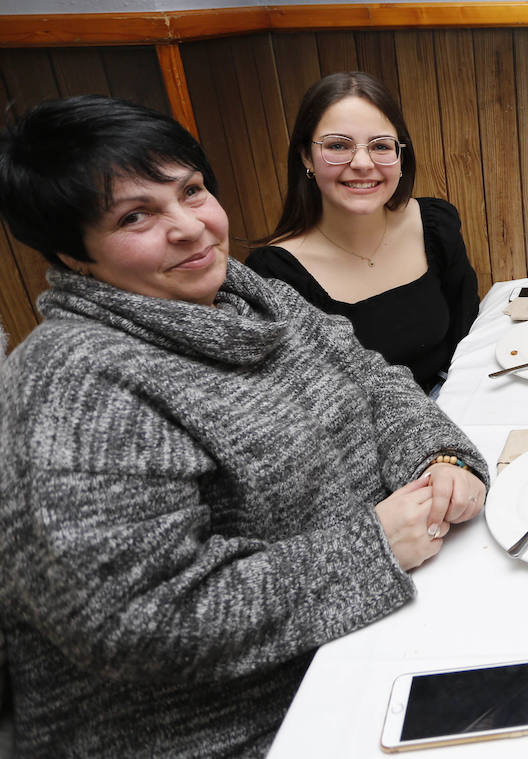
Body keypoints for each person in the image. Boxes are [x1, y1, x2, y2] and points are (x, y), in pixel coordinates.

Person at [0, 96, 490, 759]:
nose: (190, 227)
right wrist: (370, 546)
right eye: (135, 215)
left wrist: (440, 456)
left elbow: (372, 377)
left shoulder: (247, 292)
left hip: (357, 634)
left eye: (192, 191)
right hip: (244, 724)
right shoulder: (76, 385)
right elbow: (137, 620)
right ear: (71, 251)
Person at [247, 72, 479, 396]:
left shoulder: (434, 225)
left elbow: (467, 334)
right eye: (338, 145)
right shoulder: (276, 275)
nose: (362, 163)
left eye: (380, 146)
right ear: (305, 157)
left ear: (400, 157)